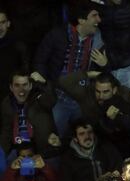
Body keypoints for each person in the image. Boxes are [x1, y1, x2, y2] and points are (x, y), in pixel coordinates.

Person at [33, 0, 107, 138]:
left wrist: (105, 64)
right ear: (81, 20)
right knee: (58, 138)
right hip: (59, 98)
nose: (99, 20)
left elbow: (104, 73)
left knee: (88, 138)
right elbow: (40, 61)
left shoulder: (98, 40)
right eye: (94, 16)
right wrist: (44, 87)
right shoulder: (57, 35)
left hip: (83, 100)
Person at [0, 70, 57, 156]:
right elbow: (6, 131)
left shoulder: (39, 97)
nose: (21, 90)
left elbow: (51, 101)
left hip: (41, 149)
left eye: (25, 85)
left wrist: (45, 83)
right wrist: (2, 153)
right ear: (11, 87)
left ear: (30, 86)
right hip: (16, 148)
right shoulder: (6, 103)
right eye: (17, 85)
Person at [0, 8, 29, 102]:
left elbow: (25, 69)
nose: (0, 27)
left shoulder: (18, 44)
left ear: (8, 23)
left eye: (2, 22)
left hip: (10, 95)